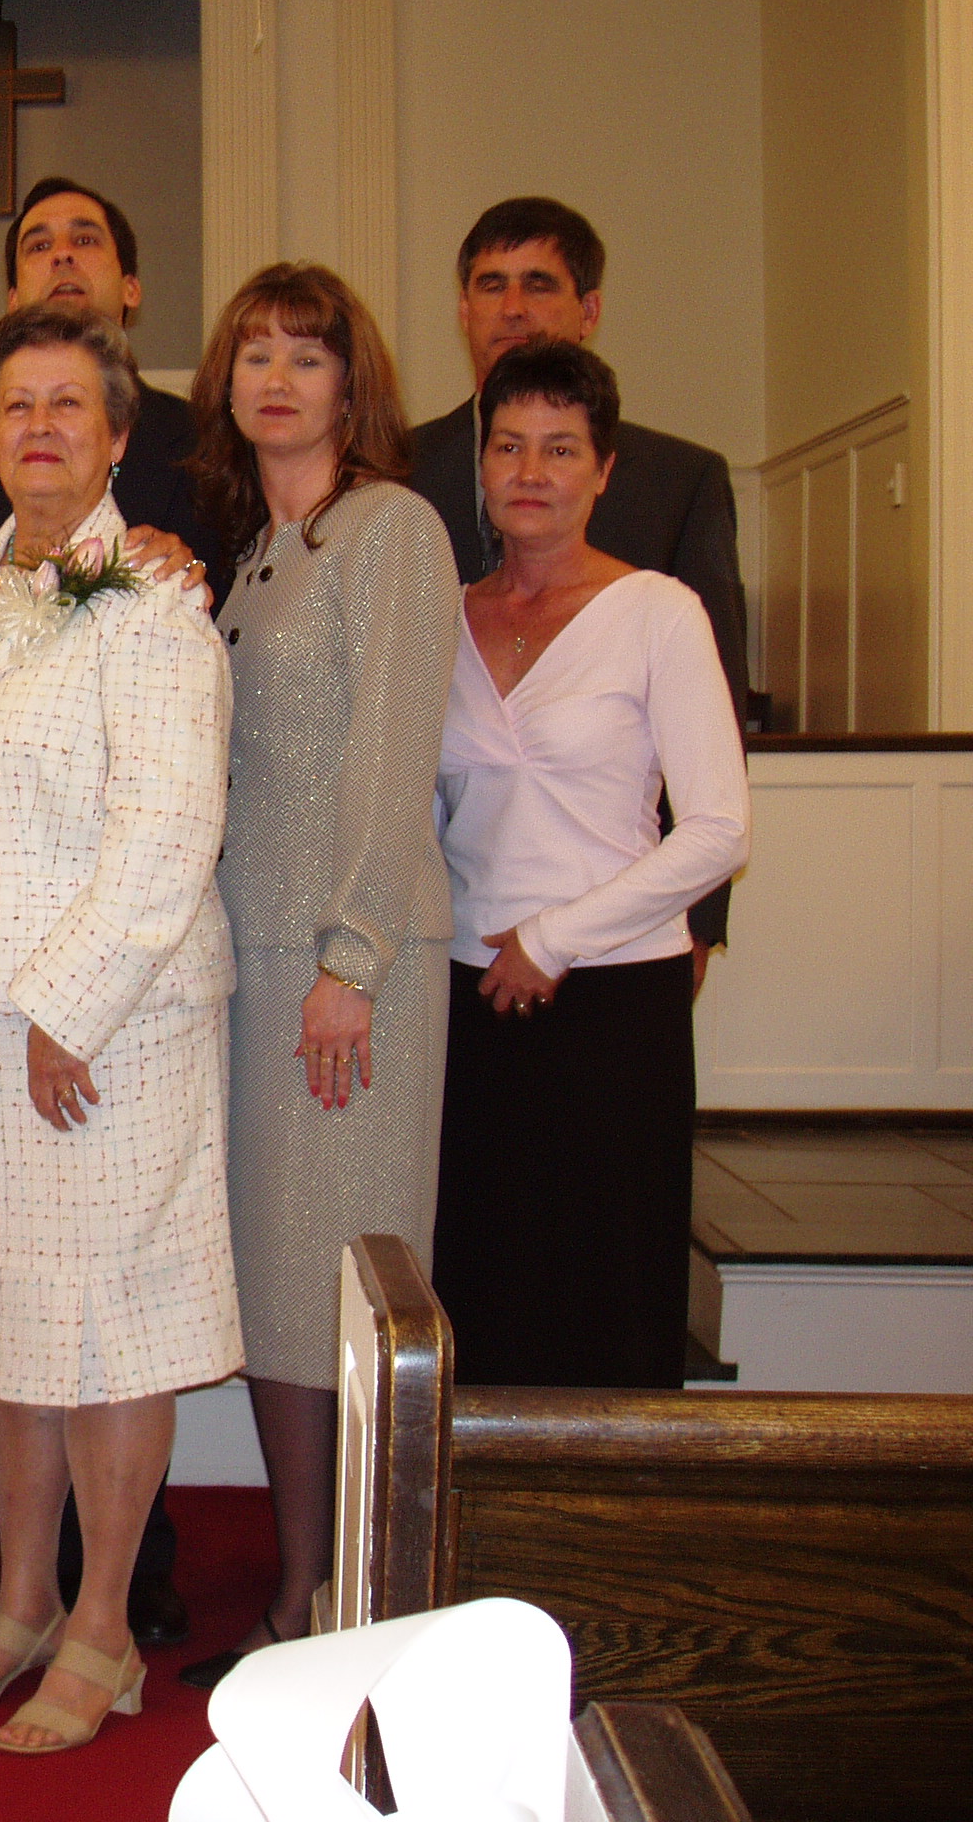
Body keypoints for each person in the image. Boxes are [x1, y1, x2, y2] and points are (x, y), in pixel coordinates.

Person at [0, 303, 240, 1756]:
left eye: (68, 405)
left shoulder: (155, 600)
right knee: (0, 1321)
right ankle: (18, 1605)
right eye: (15, 405)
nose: (38, 428)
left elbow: (169, 828)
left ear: (118, 435)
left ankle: (102, 1626)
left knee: (108, 1324)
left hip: (103, 1025)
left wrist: (69, 1005)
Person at [179, 262, 458, 1692]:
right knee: (282, 1296)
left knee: (342, 1290)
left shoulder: (389, 529)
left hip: (350, 968)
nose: (277, 378)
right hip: (257, 965)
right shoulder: (258, 554)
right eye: (255, 354)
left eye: (307, 353)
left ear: (354, 385)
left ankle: (348, 1612)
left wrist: (349, 959)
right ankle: (305, 1593)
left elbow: (392, 756)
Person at [431, 341, 749, 1388]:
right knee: (480, 1291)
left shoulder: (658, 611)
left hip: (613, 1000)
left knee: (605, 1299)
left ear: (604, 470)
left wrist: (553, 938)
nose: (530, 471)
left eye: (560, 448)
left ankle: (610, 1503)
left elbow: (718, 829)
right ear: (480, 463)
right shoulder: (442, 617)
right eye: (508, 445)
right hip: (469, 996)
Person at [408, 197, 748, 986]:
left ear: (588, 310)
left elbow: (717, 721)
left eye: (538, 284)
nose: (513, 308)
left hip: (620, 941)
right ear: (463, 309)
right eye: (491, 284)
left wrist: (699, 924)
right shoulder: (396, 470)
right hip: (457, 942)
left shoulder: (677, 480)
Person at [0, 174, 231, 609]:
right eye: (39, 246)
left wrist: (189, 573)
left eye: (85, 240)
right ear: (13, 298)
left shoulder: (208, 444)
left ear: (132, 287)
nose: (63, 255)